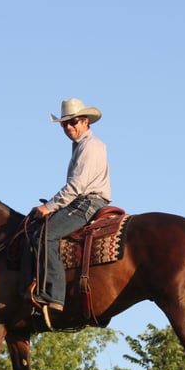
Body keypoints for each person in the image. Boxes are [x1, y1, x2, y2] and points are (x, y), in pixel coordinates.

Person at [29, 98, 111, 320]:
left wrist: (48, 207)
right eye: (64, 124)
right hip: (87, 199)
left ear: (85, 121)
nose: (69, 127)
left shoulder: (89, 146)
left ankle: (54, 294)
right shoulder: (83, 145)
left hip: (87, 202)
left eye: (73, 122)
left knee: (43, 235)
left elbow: (75, 187)